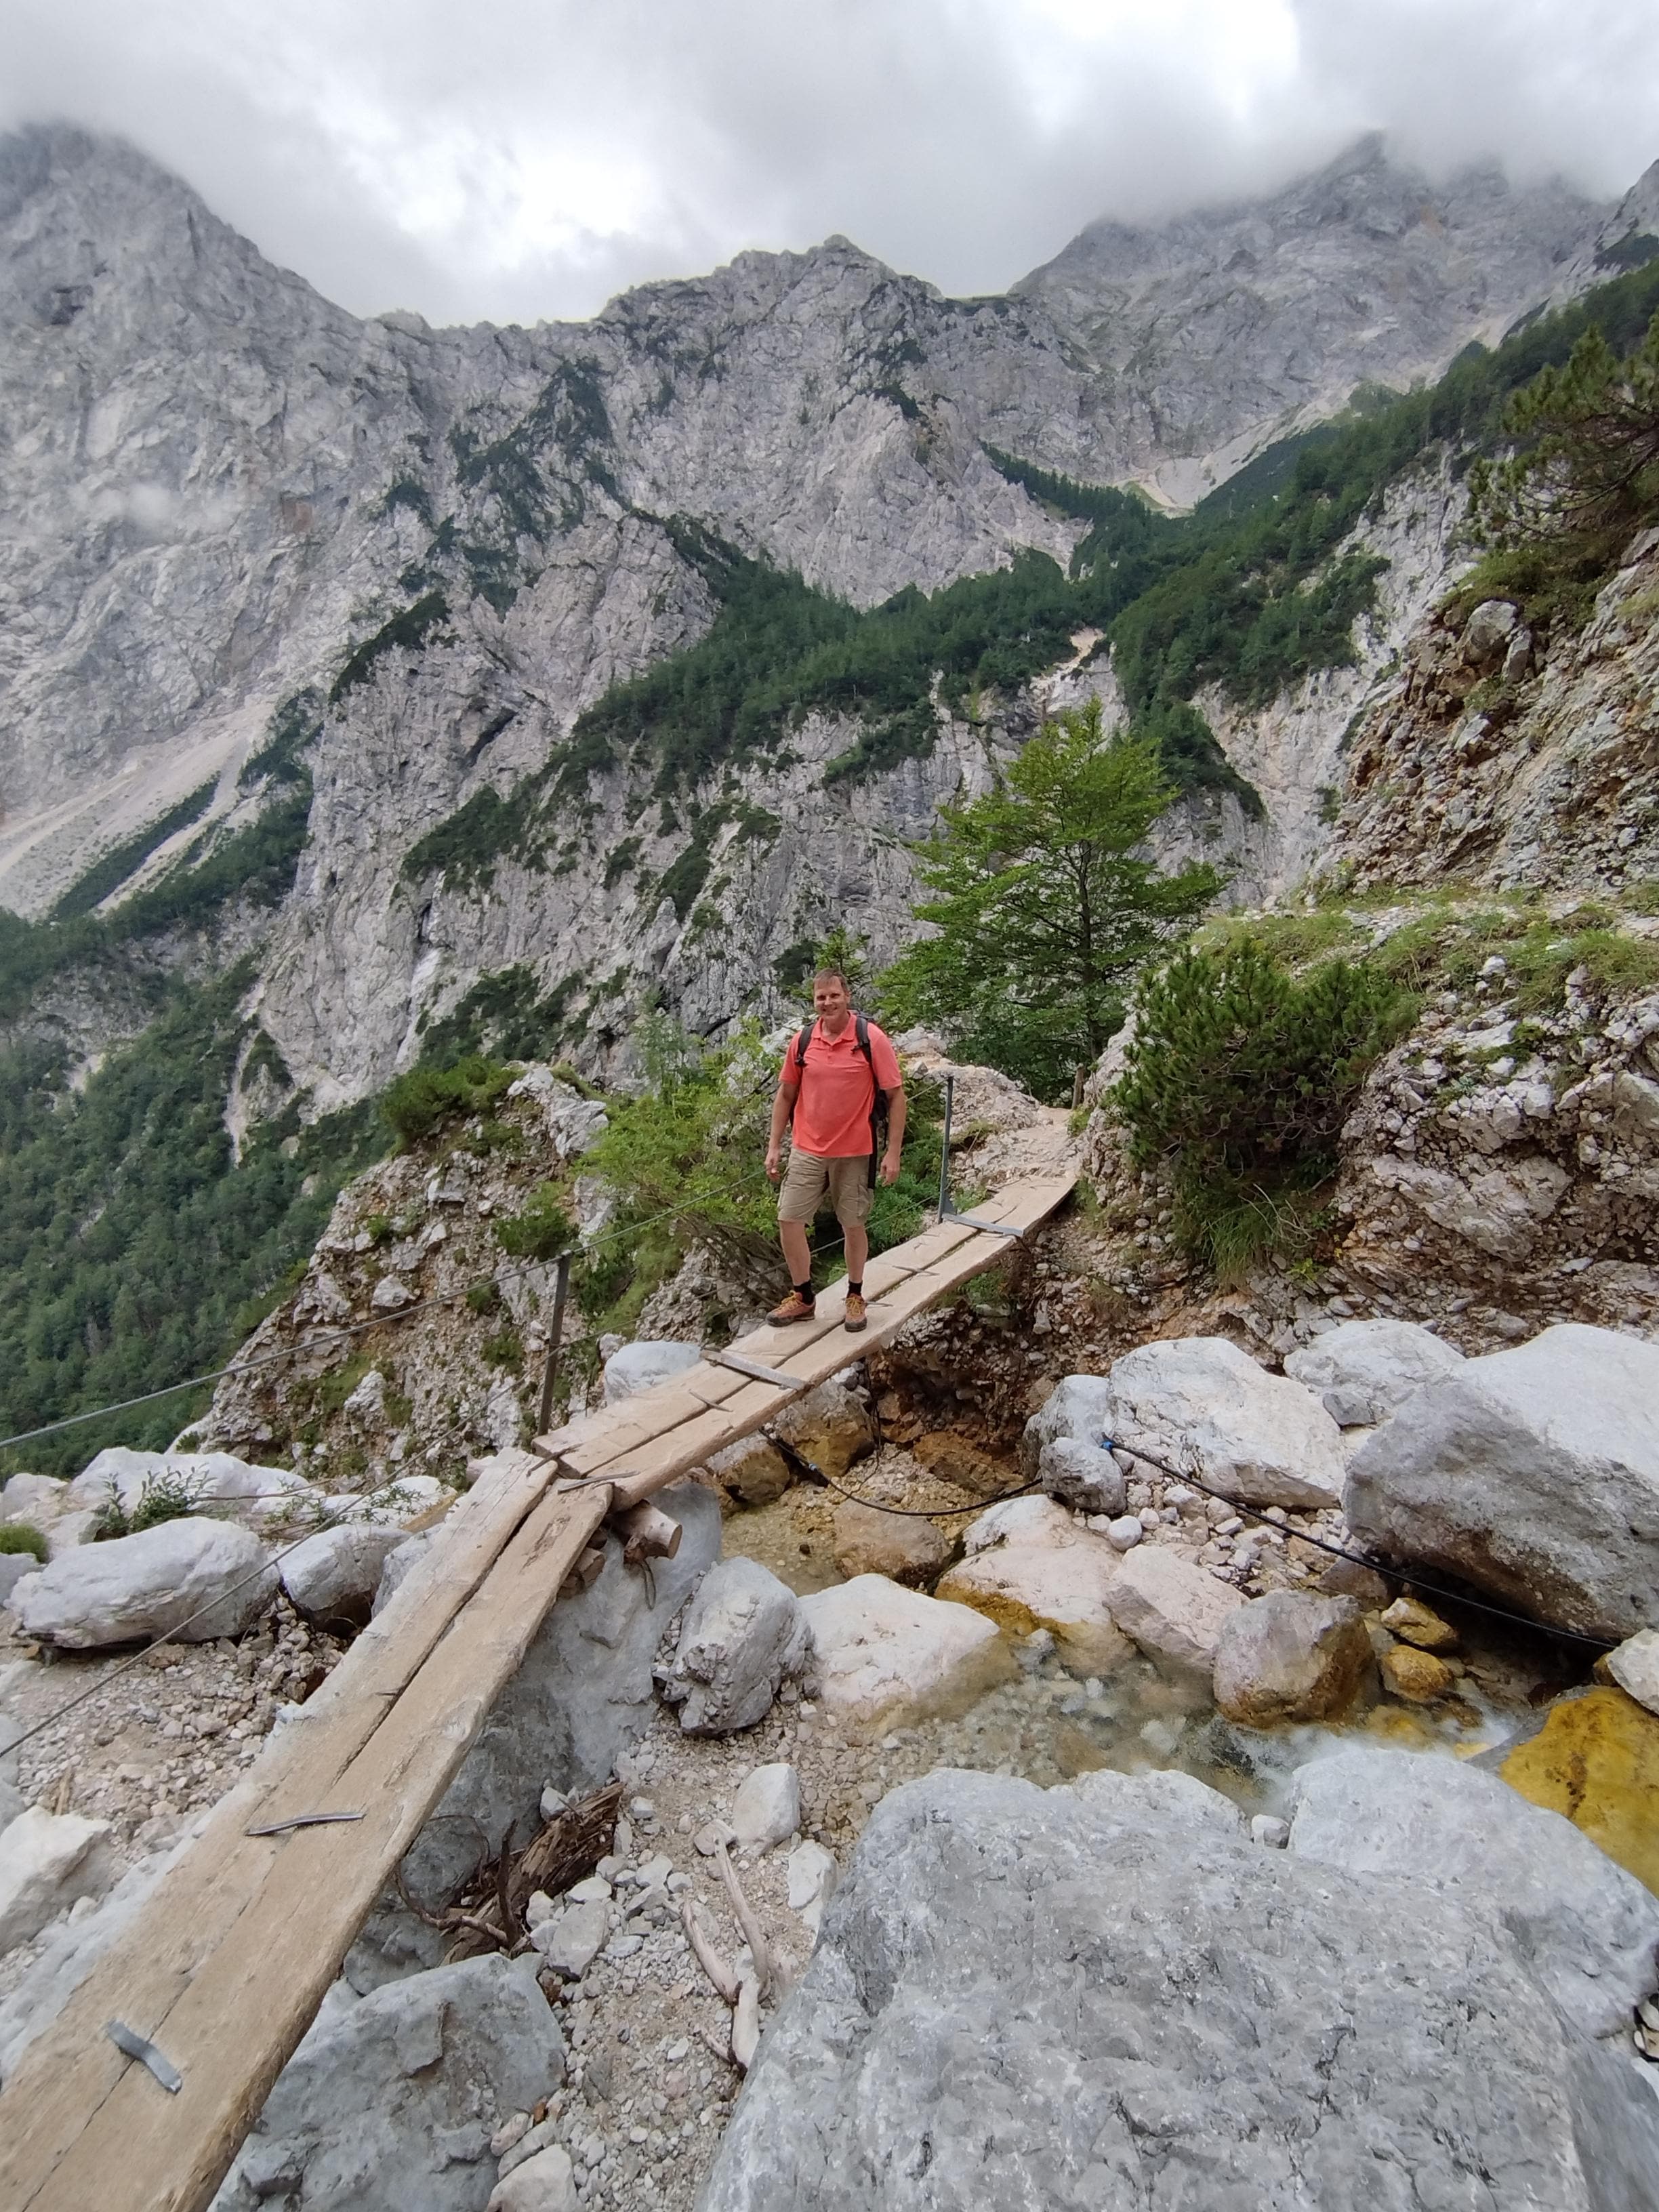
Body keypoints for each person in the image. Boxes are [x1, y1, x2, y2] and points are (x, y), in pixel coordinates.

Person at [763, 968, 905, 1332]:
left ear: (847, 996)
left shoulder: (870, 1038)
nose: (827, 1003)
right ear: (815, 1001)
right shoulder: (803, 1041)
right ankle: (804, 1297)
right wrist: (774, 1144)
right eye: (821, 997)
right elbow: (786, 1094)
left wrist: (893, 1153)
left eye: (833, 995)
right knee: (789, 1220)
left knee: (853, 1223)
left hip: (855, 1149)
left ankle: (855, 1295)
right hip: (807, 1147)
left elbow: (895, 1096)